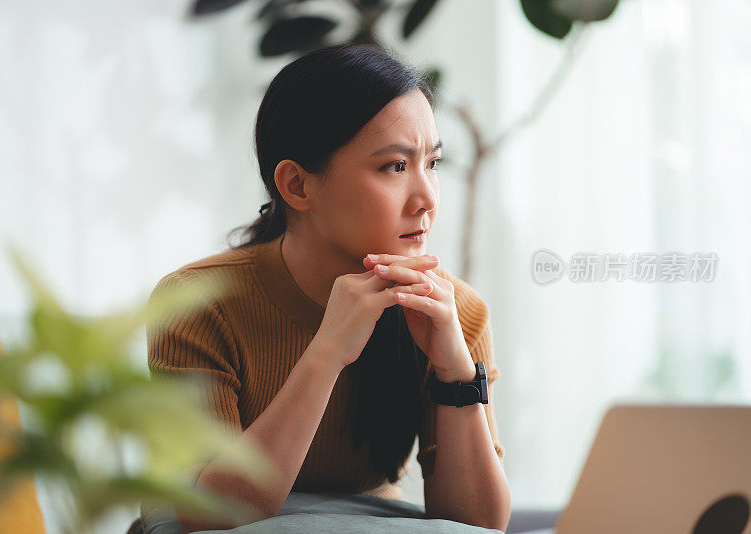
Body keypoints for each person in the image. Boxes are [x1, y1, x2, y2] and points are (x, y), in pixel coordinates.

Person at [146, 43, 509, 533]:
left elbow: (480, 525)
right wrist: (327, 352)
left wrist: (455, 371)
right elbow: (209, 519)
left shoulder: (455, 313)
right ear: (297, 186)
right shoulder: (197, 305)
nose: (426, 199)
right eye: (395, 167)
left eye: (433, 164)